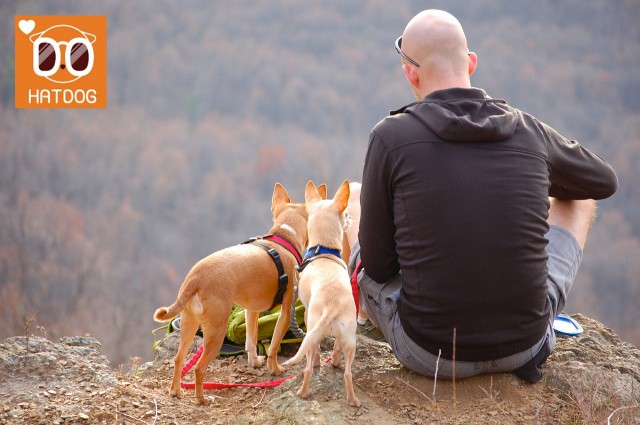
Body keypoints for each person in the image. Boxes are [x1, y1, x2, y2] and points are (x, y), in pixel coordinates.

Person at [347, 9, 618, 383]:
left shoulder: (390, 138)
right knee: (580, 198)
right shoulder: (527, 130)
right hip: (527, 345)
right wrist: (527, 177)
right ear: (471, 63)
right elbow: (601, 182)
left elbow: (377, 267)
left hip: (429, 352)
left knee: (356, 198)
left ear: (410, 72)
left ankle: (362, 321)